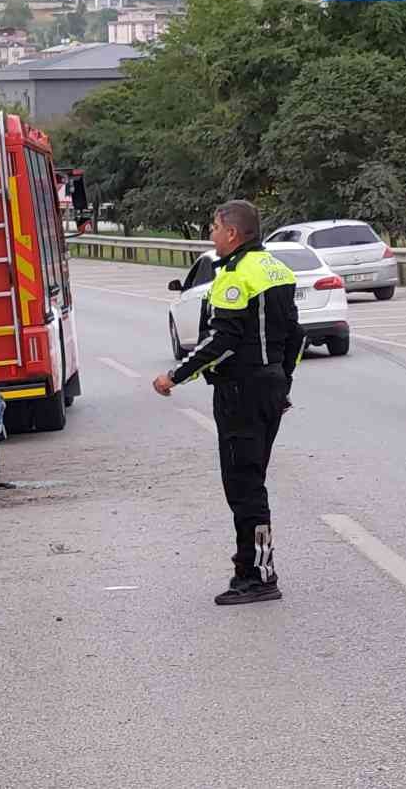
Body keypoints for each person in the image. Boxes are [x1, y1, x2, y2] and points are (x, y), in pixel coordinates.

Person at [152, 201, 303, 607]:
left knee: (244, 486)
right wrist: (283, 382)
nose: (212, 235)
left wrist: (175, 375)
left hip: (241, 390)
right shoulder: (277, 269)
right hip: (270, 386)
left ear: (232, 233)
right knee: (253, 480)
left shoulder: (235, 275)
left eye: (215, 227)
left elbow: (222, 340)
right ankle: (253, 568)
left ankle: (256, 576)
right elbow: (296, 335)